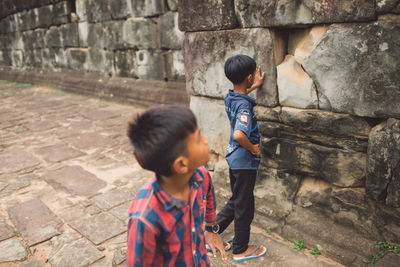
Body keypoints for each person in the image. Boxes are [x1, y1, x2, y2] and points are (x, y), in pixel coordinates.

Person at [126, 105, 227, 267]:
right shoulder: (145, 218)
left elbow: (209, 195)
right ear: (181, 165)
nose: (206, 139)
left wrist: (210, 228)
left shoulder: (201, 176)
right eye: (199, 138)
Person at [214, 54, 267, 262]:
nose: (256, 75)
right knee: (244, 206)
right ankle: (240, 249)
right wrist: (254, 149)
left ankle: (210, 233)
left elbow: (241, 97)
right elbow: (239, 134)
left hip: (234, 159)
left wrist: (253, 86)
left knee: (236, 201)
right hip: (245, 161)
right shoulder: (244, 106)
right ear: (248, 77)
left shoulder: (232, 97)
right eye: (254, 73)